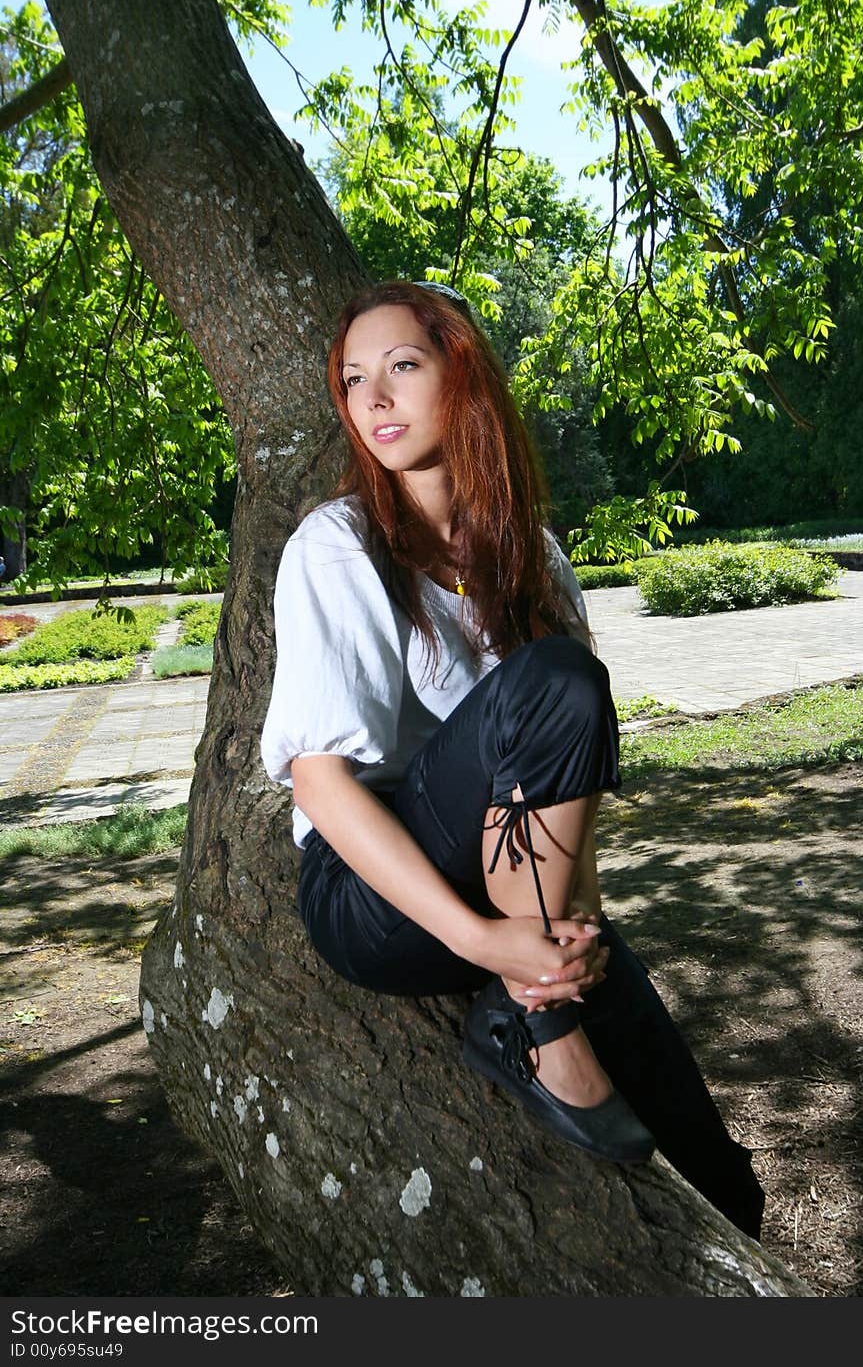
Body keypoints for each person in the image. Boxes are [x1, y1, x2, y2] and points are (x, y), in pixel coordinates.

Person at [261, 280, 765, 1236]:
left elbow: (560, 781)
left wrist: (573, 930)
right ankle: (535, 1024)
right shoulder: (338, 547)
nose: (374, 401)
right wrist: (487, 943)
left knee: (723, 1180)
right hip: (374, 899)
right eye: (354, 380)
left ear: (463, 376)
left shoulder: (533, 555)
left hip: (518, 891)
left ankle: (548, 997)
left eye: (402, 367)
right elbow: (320, 784)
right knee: (557, 678)